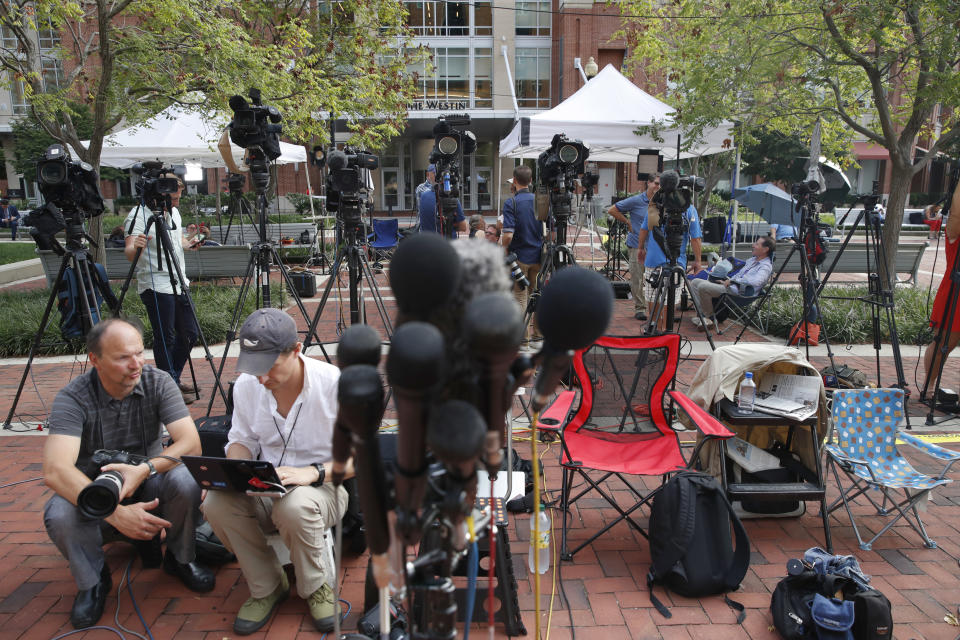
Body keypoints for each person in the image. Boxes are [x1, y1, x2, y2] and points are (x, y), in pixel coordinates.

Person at [42, 318, 215, 630]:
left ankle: (180, 557)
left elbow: (190, 442)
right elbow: (55, 471)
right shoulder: (72, 398)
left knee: (186, 477)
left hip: (148, 479)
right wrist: (115, 514)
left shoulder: (158, 381)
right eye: (123, 357)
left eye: (139, 352)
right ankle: (93, 581)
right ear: (95, 360)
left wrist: (145, 469)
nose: (136, 364)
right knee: (59, 514)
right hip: (94, 490)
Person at [202, 308, 351, 635]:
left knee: (294, 507)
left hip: (324, 486)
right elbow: (242, 439)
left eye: (269, 366)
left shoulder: (333, 384)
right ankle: (267, 585)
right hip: (266, 484)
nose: (261, 378)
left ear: (296, 350)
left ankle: (316, 588)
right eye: (254, 367)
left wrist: (311, 473)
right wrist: (234, 472)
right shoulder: (246, 386)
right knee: (216, 503)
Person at [124, 178, 200, 403]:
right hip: (155, 283)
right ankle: (169, 385)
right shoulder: (138, 215)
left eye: (177, 198)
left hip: (179, 281)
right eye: (173, 199)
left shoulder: (174, 213)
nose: (176, 203)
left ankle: (170, 379)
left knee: (190, 333)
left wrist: (191, 242)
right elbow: (129, 252)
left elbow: (178, 242)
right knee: (165, 337)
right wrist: (135, 247)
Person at [636, 192, 703, 329]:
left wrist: (641, 248)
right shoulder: (689, 209)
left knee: (652, 295)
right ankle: (666, 331)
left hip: (653, 260)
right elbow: (695, 238)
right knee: (669, 299)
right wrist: (698, 261)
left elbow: (644, 229)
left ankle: (654, 327)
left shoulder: (655, 205)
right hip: (677, 261)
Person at [688, 235, 775, 331]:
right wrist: (726, 280)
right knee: (695, 282)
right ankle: (703, 317)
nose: (753, 245)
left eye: (757, 244)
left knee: (703, 286)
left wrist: (733, 281)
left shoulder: (765, 266)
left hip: (741, 293)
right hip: (731, 287)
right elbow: (739, 275)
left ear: (765, 249)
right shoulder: (752, 260)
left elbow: (757, 281)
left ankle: (709, 318)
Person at [607, 175, 660, 321]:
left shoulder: (663, 201)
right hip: (637, 245)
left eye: (660, 184)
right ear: (648, 183)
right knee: (637, 278)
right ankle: (640, 308)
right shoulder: (637, 200)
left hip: (656, 248)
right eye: (656, 183)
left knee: (655, 280)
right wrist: (628, 222)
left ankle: (657, 307)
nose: (658, 187)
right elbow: (612, 210)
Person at [924, 181, 960, 390]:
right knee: (944, 343)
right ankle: (929, 387)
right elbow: (955, 213)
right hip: (956, 289)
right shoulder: (955, 231)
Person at [500, 165, 542, 341]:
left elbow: (508, 235)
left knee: (519, 298)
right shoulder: (540, 200)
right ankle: (538, 335)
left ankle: (523, 339)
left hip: (519, 258)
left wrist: (503, 249)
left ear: (515, 181)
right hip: (539, 256)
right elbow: (552, 231)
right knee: (537, 296)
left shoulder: (512, 203)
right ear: (531, 181)